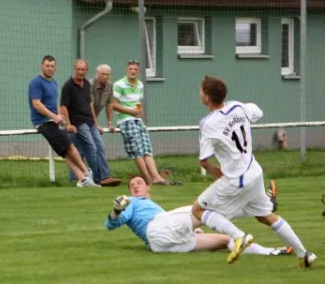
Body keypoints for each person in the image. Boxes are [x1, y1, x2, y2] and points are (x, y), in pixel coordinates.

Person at [190, 75, 316, 268]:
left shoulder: (208, 123)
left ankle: (240, 236)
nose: (199, 93)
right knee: (266, 216)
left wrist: (212, 169)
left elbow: (203, 159)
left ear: (207, 97)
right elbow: (257, 111)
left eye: (201, 90)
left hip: (236, 179)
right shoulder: (238, 107)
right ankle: (304, 254)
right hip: (255, 173)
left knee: (198, 210)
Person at [105, 175, 292, 256]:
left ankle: (270, 252)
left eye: (138, 183)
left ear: (148, 187)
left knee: (225, 240)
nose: (135, 186)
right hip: (158, 228)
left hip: (160, 244)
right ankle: (266, 206)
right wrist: (116, 211)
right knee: (205, 209)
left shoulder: (154, 207)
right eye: (132, 185)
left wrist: (195, 227)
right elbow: (112, 224)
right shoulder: (131, 201)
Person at [28, 55, 99, 188]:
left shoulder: (53, 82)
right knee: (70, 146)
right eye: (47, 66)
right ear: (42, 66)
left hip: (54, 121)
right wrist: (53, 117)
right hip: (44, 122)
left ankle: (83, 180)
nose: (50, 69)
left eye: (52, 66)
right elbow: (37, 104)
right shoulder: (36, 83)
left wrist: (59, 117)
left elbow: (54, 103)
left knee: (65, 152)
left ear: (55, 68)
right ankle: (86, 171)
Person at [112, 60, 179, 185]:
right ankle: (148, 179)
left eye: (135, 69)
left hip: (138, 120)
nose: (133, 71)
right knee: (137, 151)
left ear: (139, 71)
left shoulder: (140, 85)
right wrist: (131, 112)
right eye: (130, 69)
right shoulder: (119, 84)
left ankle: (156, 177)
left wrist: (139, 114)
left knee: (147, 149)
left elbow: (138, 103)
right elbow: (113, 105)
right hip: (126, 120)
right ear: (126, 70)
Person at [60, 59, 121, 187]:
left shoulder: (86, 84)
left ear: (86, 71)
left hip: (90, 122)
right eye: (78, 69)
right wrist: (68, 124)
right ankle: (99, 179)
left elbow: (89, 104)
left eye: (83, 70)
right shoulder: (68, 86)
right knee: (90, 149)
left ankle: (80, 178)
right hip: (78, 123)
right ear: (74, 69)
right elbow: (63, 107)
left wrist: (98, 123)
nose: (81, 72)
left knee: (91, 148)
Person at [90, 64, 116, 133]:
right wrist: (96, 125)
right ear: (97, 74)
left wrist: (109, 123)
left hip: (92, 120)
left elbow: (109, 104)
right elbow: (90, 106)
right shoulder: (90, 84)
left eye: (107, 74)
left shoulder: (109, 85)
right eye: (102, 74)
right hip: (81, 119)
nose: (105, 76)